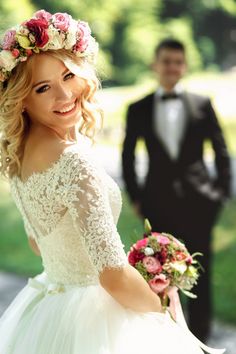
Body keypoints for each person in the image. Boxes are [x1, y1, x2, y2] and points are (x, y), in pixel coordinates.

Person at [0, 12, 224, 354]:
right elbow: (113, 276)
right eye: (43, 88)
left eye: (68, 76)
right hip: (97, 319)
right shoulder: (74, 160)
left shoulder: (17, 155)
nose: (65, 95)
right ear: (22, 99)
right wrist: (160, 305)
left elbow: (38, 244)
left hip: (50, 304)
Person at [122, 38, 231, 343]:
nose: (172, 67)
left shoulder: (201, 103)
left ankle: (201, 340)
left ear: (184, 66)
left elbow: (221, 151)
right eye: (166, 61)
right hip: (157, 204)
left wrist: (219, 193)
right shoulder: (138, 108)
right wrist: (137, 197)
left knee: (201, 273)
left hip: (200, 202)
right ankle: (169, 340)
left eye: (178, 62)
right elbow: (127, 156)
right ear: (155, 65)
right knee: (159, 276)